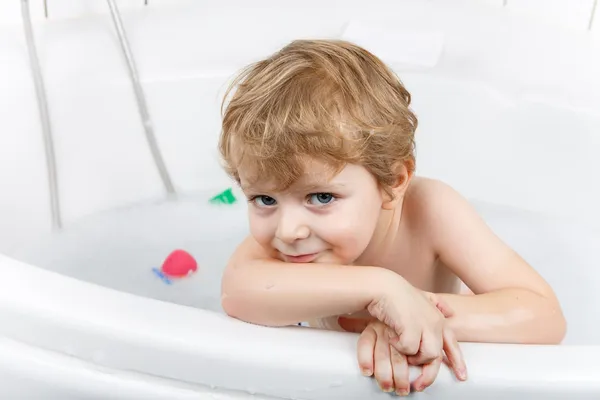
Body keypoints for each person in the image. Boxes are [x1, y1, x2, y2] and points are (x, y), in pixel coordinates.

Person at [217, 39, 566, 396]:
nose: (288, 230)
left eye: (321, 197)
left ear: (394, 181)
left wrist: (417, 317)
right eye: (263, 198)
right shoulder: (286, 234)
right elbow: (237, 292)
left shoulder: (431, 211)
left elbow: (543, 315)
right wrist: (383, 289)